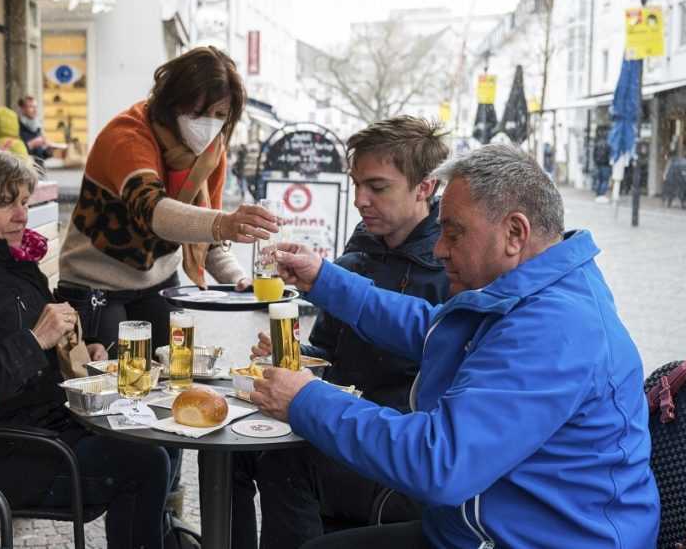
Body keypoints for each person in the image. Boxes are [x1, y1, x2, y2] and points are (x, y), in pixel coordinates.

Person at [252, 144, 660, 548]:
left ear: (515, 233)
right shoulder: (536, 290)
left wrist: (306, 399)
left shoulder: (556, 328)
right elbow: (429, 327)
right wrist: (323, 278)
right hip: (478, 530)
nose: (439, 248)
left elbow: (439, 461)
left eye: (453, 232)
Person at [0, 146, 173, 549]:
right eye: (5, 203)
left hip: (44, 432)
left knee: (153, 431)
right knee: (143, 461)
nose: (21, 215)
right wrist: (35, 340)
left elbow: (37, 356)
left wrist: (80, 352)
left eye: (24, 201)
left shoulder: (13, 262)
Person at [232, 116, 451, 549]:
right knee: (237, 450)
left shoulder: (453, 265)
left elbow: (438, 366)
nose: (360, 200)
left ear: (424, 187)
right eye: (355, 185)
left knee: (283, 463)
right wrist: (296, 353)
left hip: (393, 448)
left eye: (378, 187)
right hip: (336, 421)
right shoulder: (360, 251)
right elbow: (331, 351)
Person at [57, 46, 277, 353]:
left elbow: (204, 230)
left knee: (173, 371)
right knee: (112, 386)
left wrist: (239, 281)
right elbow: (154, 212)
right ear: (171, 102)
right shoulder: (127, 136)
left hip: (157, 283)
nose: (209, 125)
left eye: (220, 115)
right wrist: (224, 224)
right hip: (96, 285)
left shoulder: (212, 153)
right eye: (198, 113)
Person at [18, 95, 52, 160]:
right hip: (25, 167)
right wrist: (31, 144)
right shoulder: (17, 126)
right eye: (31, 107)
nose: (35, 110)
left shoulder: (37, 126)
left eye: (36, 107)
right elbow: (15, 152)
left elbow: (41, 155)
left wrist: (48, 150)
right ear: (23, 109)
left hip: (38, 168)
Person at [593, 133, 612, 200]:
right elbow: (610, 156)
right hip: (606, 165)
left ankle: (598, 193)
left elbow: (594, 155)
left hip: (598, 165)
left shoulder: (597, 144)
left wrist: (595, 162)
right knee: (605, 180)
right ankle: (602, 194)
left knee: (599, 179)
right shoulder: (608, 145)